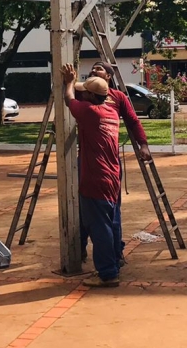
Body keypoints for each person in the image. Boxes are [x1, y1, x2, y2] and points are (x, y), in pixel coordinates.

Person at [83, 61, 151, 266]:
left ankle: (114, 254)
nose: (94, 70)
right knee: (85, 212)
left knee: (110, 211)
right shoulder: (83, 93)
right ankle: (81, 251)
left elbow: (133, 121)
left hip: (109, 162)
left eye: (99, 68)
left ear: (109, 76)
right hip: (88, 159)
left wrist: (143, 144)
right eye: (93, 68)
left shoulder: (117, 97)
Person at [62, 63, 122, 288]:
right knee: (108, 223)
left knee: (100, 228)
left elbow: (69, 99)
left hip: (95, 179)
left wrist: (68, 82)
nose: (81, 93)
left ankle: (108, 273)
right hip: (112, 177)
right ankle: (113, 263)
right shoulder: (111, 112)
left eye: (84, 91)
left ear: (90, 96)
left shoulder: (89, 112)